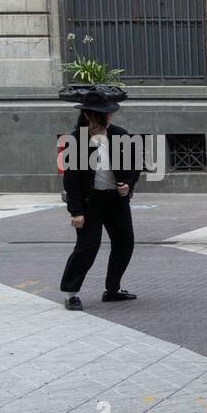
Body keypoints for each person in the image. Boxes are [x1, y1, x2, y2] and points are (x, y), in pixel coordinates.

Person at [58, 89, 140, 311]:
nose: (107, 118)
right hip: (89, 203)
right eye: (102, 114)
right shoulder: (75, 141)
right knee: (87, 247)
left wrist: (128, 185)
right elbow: (71, 180)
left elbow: (134, 166)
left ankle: (112, 289)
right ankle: (71, 293)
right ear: (87, 115)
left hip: (116, 201)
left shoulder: (121, 135)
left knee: (125, 244)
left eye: (109, 114)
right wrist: (75, 212)